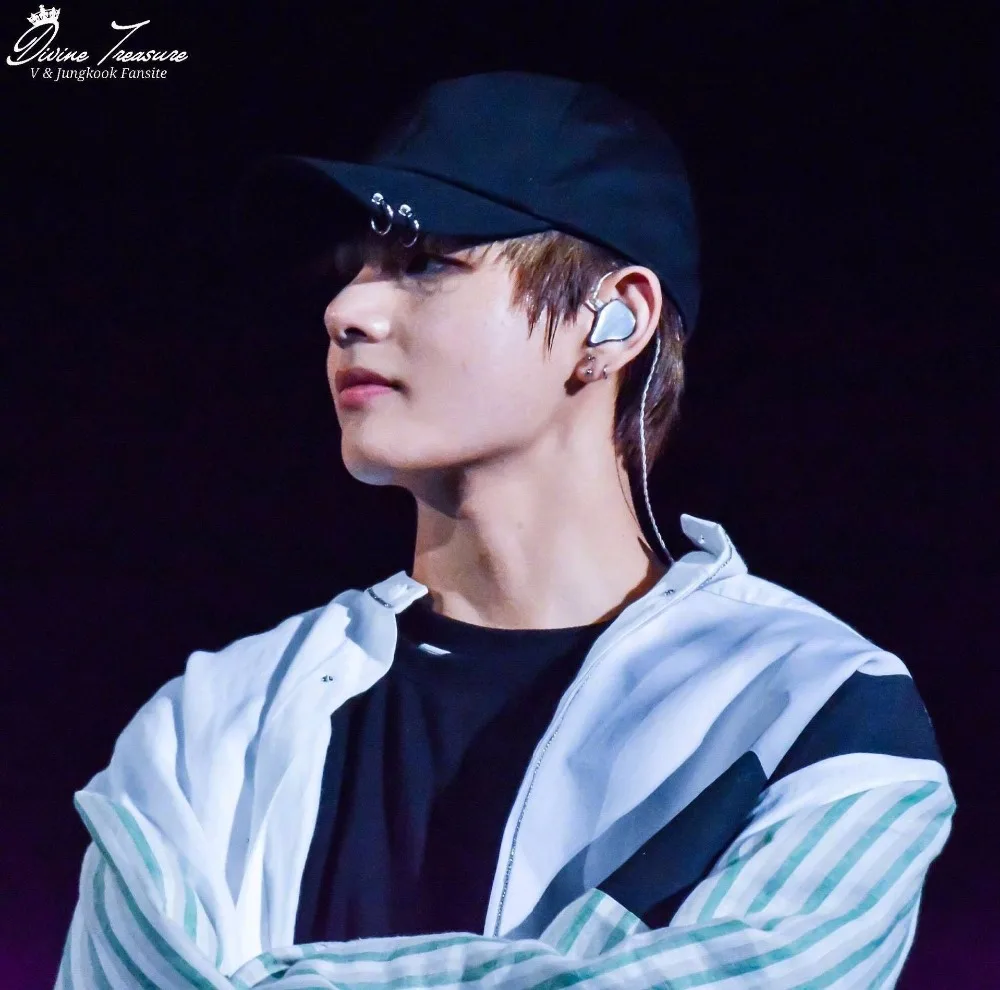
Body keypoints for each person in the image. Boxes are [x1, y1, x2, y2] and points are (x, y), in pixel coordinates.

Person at [55, 71, 954, 990]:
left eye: (425, 262)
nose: (346, 310)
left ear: (614, 320)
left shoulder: (813, 707)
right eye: (352, 268)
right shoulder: (211, 722)